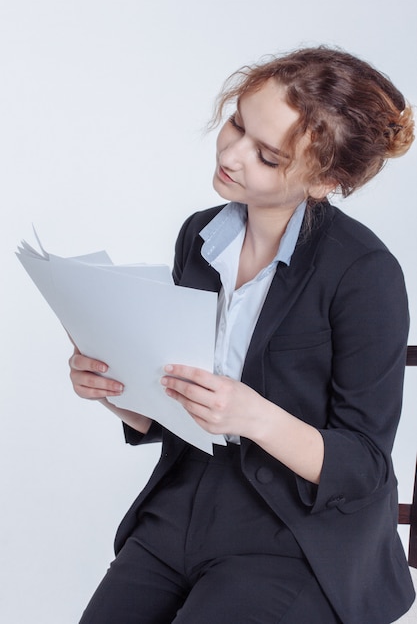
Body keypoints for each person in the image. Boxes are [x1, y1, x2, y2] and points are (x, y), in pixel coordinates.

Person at [70, 46, 415, 623]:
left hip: (295, 535)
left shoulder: (364, 272)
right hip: (185, 503)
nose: (231, 154)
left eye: (268, 156)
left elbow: (364, 468)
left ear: (324, 180)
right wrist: (119, 392)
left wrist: (253, 416)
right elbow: (181, 403)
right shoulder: (201, 237)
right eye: (236, 122)